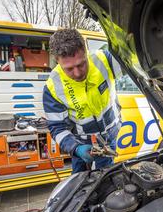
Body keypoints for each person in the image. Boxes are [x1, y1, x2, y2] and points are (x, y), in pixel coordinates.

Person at [43, 29, 121, 174]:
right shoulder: (52, 87)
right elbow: (57, 127)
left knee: (106, 177)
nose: (78, 73)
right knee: (79, 182)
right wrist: (75, 148)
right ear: (56, 61)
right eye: (69, 69)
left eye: (81, 64)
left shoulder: (105, 61)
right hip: (80, 143)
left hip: (109, 137)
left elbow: (136, 64)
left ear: (86, 51)